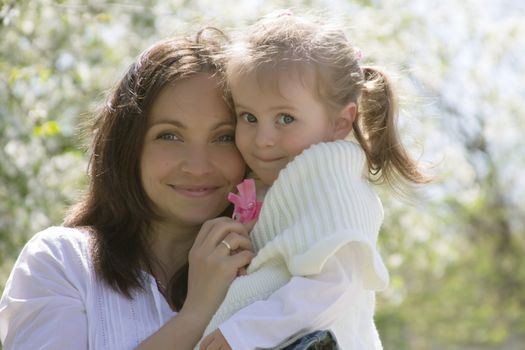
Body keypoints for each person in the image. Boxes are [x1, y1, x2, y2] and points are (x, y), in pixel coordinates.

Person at [0, 30, 255, 350]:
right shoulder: (61, 261)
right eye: (169, 136)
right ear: (128, 146)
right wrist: (195, 315)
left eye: (223, 137)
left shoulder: (270, 270)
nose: (198, 166)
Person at [198, 11, 430, 350]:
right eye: (248, 116)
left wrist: (244, 332)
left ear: (340, 122)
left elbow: (334, 284)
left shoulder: (333, 177)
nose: (262, 138)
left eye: (285, 118)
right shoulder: (281, 179)